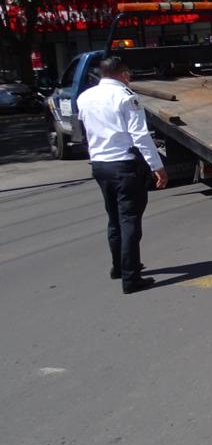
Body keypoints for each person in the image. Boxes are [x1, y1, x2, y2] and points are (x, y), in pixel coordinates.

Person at [77, 56, 168, 294]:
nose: (130, 78)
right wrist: (157, 166)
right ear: (122, 73)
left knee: (114, 218)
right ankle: (131, 278)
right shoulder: (126, 98)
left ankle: (119, 267)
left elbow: (85, 129)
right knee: (130, 220)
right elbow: (140, 136)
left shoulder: (85, 97)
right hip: (124, 165)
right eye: (128, 73)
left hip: (100, 166)